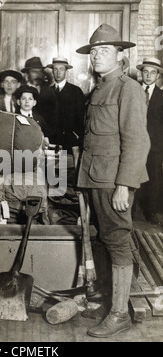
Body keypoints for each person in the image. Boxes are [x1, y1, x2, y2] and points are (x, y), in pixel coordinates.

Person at [76, 23, 150, 338]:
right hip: (96, 178)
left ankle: (119, 313)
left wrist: (124, 184)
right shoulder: (100, 87)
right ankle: (112, 304)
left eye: (104, 50)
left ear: (120, 55)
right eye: (93, 51)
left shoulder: (127, 88)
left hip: (113, 182)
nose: (96, 56)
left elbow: (136, 141)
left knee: (118, 241)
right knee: (106, 241)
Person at [135, 58, 163, 225]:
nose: (148, 75)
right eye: (145, 72)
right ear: (141, 73)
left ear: (158, 76)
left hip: (155, 146)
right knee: (133, 176)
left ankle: (151, 211)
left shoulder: (162, 96)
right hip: (135, 144)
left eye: (153, 73)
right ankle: (131, 211)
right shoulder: (133, 91)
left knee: (154, 178)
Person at [47, 57, 85, 153]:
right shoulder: (47, 92)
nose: (58, 72)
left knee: (67, 167)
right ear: (52, 72)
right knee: (50, 167)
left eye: (61, 69)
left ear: (66, 72)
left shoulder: (76, 91)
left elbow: (82, 117)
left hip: (70, 142)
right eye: (55, 69)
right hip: (51, 142)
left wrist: (76, 136)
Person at [21, 57, 57, 131]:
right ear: (27, 74)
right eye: (34, 71)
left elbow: (54, 117)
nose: (38, 75)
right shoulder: (20, 91)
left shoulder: (50, 92)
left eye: (40, 72)